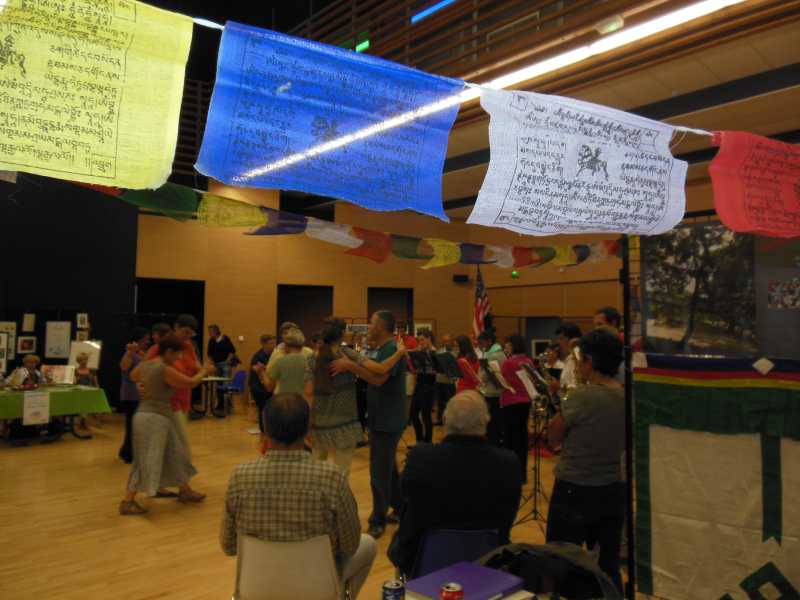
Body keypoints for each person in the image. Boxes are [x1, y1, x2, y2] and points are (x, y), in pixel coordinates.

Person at [220, 393, 376, 598]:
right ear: (308, 430)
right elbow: (350, 545)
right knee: (368, 544)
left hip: (257, 589)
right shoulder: (332, 478)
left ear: (264, 430)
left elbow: (229, 546)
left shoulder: (240, 477)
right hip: (316, 588)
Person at [388, 391, 522, 576]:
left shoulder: (421, 458)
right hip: (488, 562)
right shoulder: (509, 463)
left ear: (445, 420)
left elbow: (405, 502)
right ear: (486, 421)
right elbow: (507, 520)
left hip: (427, 563)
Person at [546, 329, 625, 592]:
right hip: (612, 487)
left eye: (581, 360)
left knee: (561, 559)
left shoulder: (582, 396)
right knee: (608, 564)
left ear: (589, 361)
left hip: (574, 488)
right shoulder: (626, 396)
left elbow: (553, 436)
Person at [331, 310, 408, 539]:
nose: (369, 326)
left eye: (372, 322)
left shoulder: (392, 349)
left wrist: (350, 366)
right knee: (388, 468)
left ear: (381, 326)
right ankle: (402, 508)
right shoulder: (382, 348)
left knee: (378, 471)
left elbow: (378, 379)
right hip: (380, 416)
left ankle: (377, 520)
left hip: (388, 418)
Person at [120, 335, 213, 515]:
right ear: (169, 352)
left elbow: (133, 375)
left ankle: (185, 490)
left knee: (176, 454)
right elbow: (190, 383)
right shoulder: (164, 369)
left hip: (155, 416)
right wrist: (204, 371)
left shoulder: (147, 363)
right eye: (177, 354)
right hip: (153, 419)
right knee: (144, 460)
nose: (179, 358)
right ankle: (127, 501)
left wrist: (143, 385)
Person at [307, 317, 365, 478]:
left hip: (320, 421)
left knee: (316, 470)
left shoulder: (312, 358)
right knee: (342, 473)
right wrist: (399, 353)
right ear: (342, 333)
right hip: (345, 422)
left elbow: (308, 391)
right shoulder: (348, 354)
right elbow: (377, 369)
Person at [146, 315, 201, 457]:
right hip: (167, 403)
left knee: (174, 444)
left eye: (191, 334)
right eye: (186, 332)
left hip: (183, 400)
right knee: (180, 445)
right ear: (176, 327)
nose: (187, 336)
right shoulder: (159, 348)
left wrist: (202, 370)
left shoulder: (188, 346)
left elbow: (195, 367)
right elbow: (141, 373)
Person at [500, 334, 536, 482]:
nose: (506, 348)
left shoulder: (508, 363)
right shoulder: (528, 361)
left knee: (509, 440)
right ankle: (521, 474)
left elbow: (501, 381)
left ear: (513, 346)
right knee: (521, 439)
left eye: (508, 345)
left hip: (511, 402)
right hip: (525, 402)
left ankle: (509, 474)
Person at [119, 327, 150, 464]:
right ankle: (129, 454)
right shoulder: (130, 354)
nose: (147, 342)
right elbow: (124, 367)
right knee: (132, 425)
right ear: (138, 340)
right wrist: (130, 353)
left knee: (135, 425)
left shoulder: (141, 353)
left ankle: (126, 451)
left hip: (139, 394)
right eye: (145, 340)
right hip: (131, 394)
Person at [255, 327, 312, 400]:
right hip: (303, 400)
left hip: (283, 400)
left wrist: (261, 371)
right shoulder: (309, 360)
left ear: (286, 345)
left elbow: (269, 387)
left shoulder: (280, 361)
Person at [477, 331, 505, 447]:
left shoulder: (492, 355)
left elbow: (484, 376)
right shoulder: (499, 353)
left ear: (489, 341)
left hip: (492, 392)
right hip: (497, 392)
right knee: (496, 422)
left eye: (481, 342)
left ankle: (493, 445)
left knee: (492, 423)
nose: (480, 346)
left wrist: (478, 375)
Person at [409, 328, 436, 444]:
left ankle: (428, 442)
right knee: (413, 413)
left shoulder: (434, 352)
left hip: (429, 386)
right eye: (419, 340)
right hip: (419, 385)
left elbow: (436, 371)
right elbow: (416, 368)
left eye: (422, 340)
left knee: (426, 415)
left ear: (429, 339)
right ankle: (419, 440)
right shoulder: (419, 352)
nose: (420, 343)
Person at [248, 334, 276, 434]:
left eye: (274, 343)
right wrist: (263, 369)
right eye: (270, 343)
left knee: (269, 410)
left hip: (268, 386)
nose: (273, 345)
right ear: (263, 344)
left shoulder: (273, 355)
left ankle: (269, 431)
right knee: (263, 409)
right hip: (258, 388)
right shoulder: (258, 356)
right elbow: (256, 369)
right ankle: (263, 432)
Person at [207, 324, 237, 415]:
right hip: (216, 365)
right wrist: (211, 363)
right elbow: (209, 354)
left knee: (225, 385)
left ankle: (227, 405)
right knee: (218, 385)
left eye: (210, 331)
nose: (209, 333)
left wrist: (228, 360)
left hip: (224, 364)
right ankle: (220, 404)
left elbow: (232, 351)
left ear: (216, 331)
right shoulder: (211, 341)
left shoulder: (225, 339)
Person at [553, 322, 582, 395]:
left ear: (571, 339)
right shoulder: (570, 357)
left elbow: (579, 385)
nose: (558, 342)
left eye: (561, 338)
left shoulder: (577, 356)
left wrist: (559, 387)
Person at [434, 333, 456, 425]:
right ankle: (440, 419)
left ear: (452, 342)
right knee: (440, 402)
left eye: (448, 341)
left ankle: (450, 420)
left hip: (450, 382)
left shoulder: (455, 353)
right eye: (444, 341)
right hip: (439, 380)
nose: (446, 343)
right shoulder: (439, 352)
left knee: (449, 402)